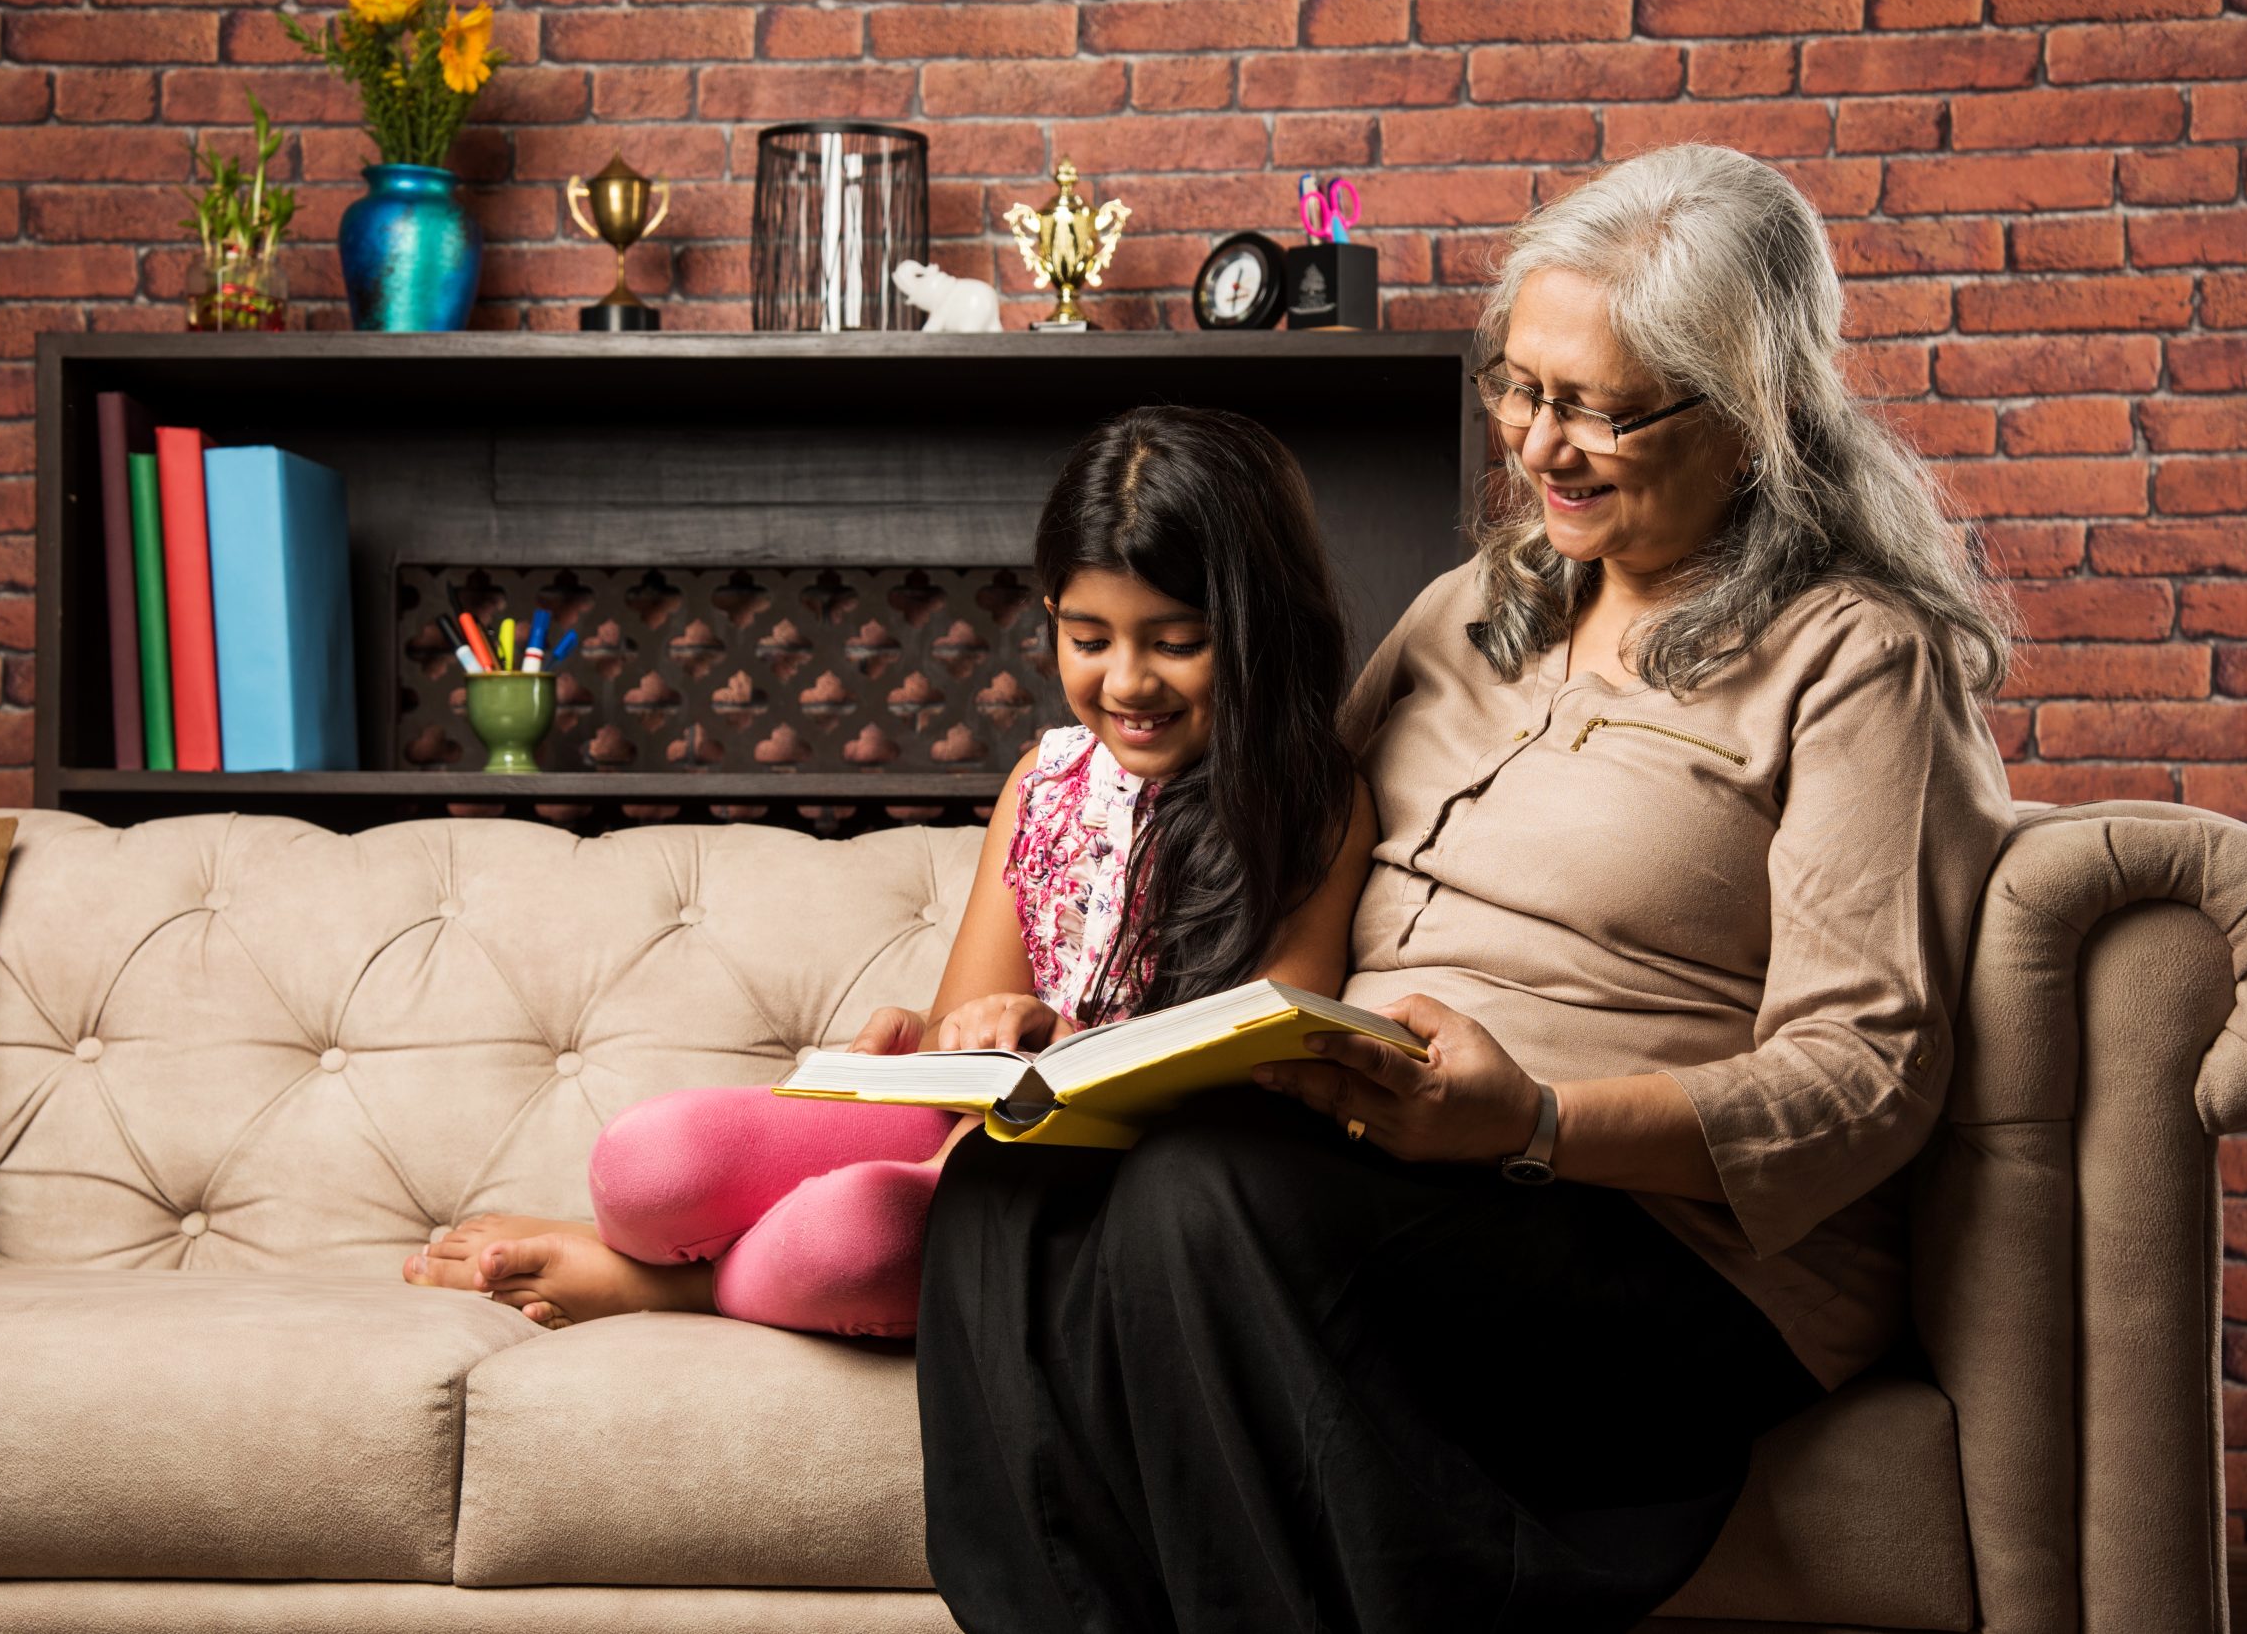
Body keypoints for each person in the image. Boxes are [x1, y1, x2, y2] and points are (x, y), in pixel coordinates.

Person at [916, 142, 2019, 1632]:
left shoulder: (1857, 662)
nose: (1540, 445)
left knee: (1203, 1193)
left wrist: (1538, 1125)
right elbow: (1269, 853)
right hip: (1371, 1167)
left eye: (1601, 409)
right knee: (1003, 1183)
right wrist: (1065, 1034)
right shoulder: (1460, 616)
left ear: (1752, 415)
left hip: (1663, 1252)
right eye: (1521, 386)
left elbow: (1866, 1076)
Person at [400, 404, 1376, 1338]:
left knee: (857, 1232)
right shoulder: (1044, 781)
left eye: (1176, 643)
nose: (1125, 681)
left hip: (1100, 1181)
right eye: (1088, 639)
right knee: (646, 1162)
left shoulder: (1313, 811)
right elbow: (961, 1043)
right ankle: (660, 1251)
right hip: (976, 1130)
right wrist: (946, 1035)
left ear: (1255, 628)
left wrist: (1060, 1039)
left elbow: (1262, 1080)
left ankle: (664, 1284)